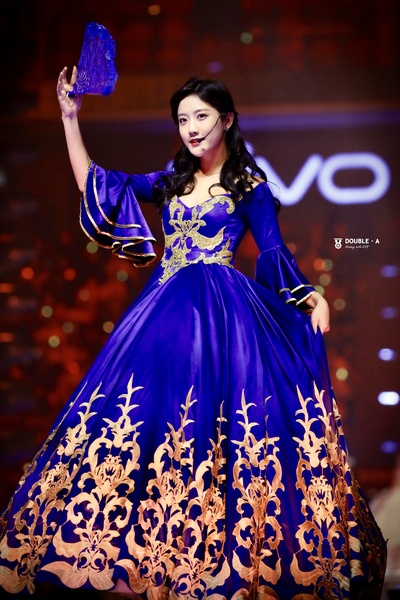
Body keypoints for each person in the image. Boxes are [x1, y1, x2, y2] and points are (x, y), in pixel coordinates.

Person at [0, 66, 386, 600]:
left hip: (223, 321)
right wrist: (70, 118)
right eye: (182, 119)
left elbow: (273, 253)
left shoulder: (249, 187)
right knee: (140, 426)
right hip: (163, 318)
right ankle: (148, 557)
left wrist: (309, 295)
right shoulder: (171, 181)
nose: (191, 128)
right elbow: (95, 183)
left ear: (226, 120)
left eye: (201, 116)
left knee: (217, 432)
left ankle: (209, 563)